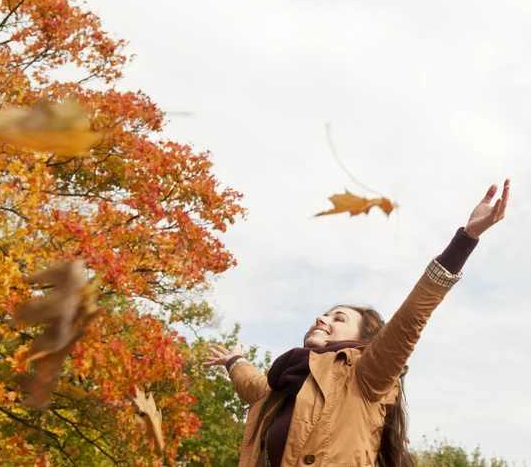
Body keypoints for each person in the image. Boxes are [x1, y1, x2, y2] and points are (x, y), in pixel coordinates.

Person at [205, 180, 510, 467]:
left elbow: (411, 317)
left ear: (365, 340)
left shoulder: (368, 375)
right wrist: (234, 361)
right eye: (325, 314)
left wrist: (466, 239)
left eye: (339, 318)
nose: (321, 319)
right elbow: (253, 385)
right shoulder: (282, 385)